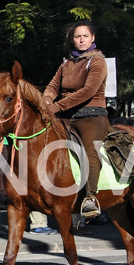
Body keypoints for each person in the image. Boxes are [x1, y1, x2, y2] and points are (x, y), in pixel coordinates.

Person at [42, 20, 109, 218]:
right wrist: (45, 101)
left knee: (90, 150)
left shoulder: (97, 61)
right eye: (77, 36)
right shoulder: (66, 63)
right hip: (65, 117)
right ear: (72, 39)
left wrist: (56, 107)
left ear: (93, 38)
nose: (81, 40)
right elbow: (53, 86)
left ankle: (90, 197)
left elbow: (88, 91)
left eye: (85, 36)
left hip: (92, 116)